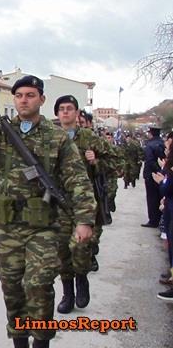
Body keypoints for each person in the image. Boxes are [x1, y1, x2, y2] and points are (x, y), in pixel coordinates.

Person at [0, 76, 96, 348]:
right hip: (10, 226)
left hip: (44, 227)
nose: (24, 100)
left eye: (30, 95)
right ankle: (19, 342)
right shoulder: (3, 131)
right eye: (19, 96)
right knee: (12, 288)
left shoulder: (57, 137)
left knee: (38, 285)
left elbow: (78, 180)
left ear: (41, 99)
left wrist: (85, 220)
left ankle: (41, 341)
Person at [54, 95, 114, 313]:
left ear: (77, 113)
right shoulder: (50, 137)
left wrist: (95, 161)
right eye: (61, 109)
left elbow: (117, 162)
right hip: (57, 204)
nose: (65, 112)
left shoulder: (89, 137)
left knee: (80, 247)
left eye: (70, 108)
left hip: (84, 204)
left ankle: (82, 278)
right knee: (62, 252)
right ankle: (67, 293)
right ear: (57, 114)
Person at [142, 126, 166, 228]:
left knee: (151, 198)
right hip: (163, 175)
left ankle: (153, 221)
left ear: (151, 133)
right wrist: (162, 171)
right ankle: (160, 218)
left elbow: (150, 160)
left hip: (151, 175)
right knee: (160, 197)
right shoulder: (163, 143)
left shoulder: (149, 145)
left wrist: (156, 171)